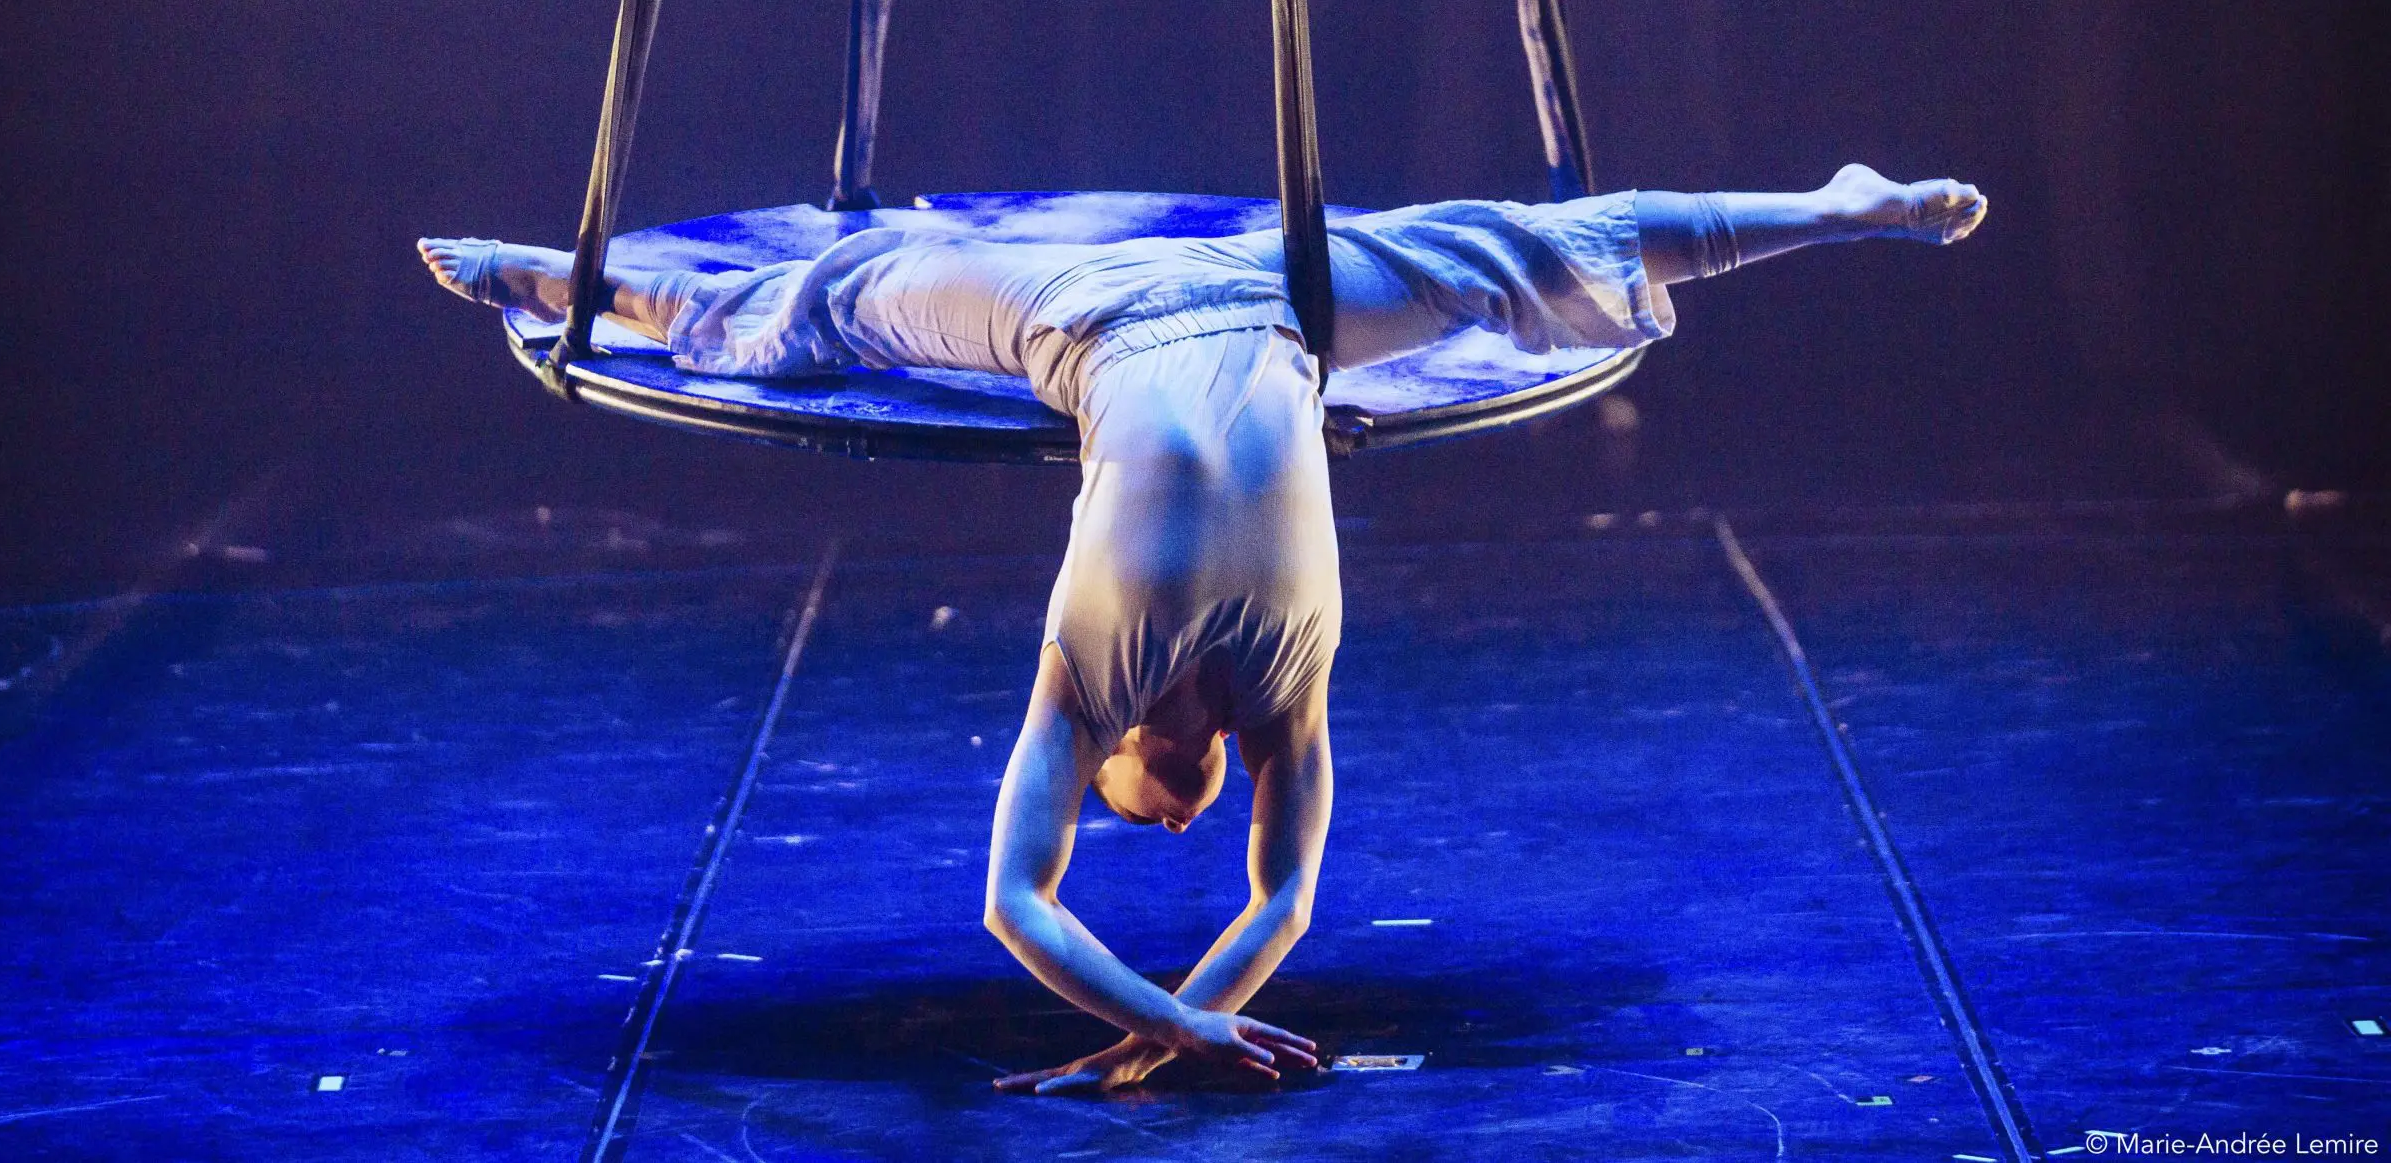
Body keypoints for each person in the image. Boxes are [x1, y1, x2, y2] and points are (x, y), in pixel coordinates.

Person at [419, 164, 1985, 1093]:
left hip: (1079, 313)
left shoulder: (1079, 677)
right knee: (1519, 249)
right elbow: (1286, 897)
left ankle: (570, 284)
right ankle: (1848, 209)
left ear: (1109, 762)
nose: (1171, 817)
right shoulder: (1286, 700)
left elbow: (1013, 905)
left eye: (1126, 810)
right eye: (1187, 814)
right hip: (1288, 308)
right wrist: (1189, 1029)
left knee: (838, 294)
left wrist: (1163, 1021)